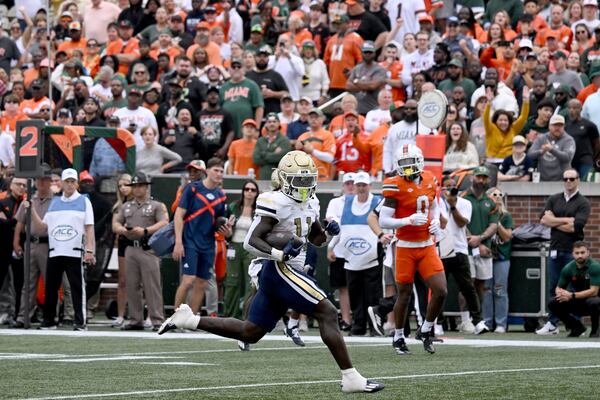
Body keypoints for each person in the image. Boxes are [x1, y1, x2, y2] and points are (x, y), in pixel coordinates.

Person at [159, 151, 384, 394]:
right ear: (286, 179)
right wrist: (278, 254)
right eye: (300, 180)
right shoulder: (274, 201)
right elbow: (250, 241)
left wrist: (329, 231)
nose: (306, 185)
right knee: (328, 311)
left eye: (309, 179)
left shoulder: (312, 201)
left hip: (287, 269)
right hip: (279, 268)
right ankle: (350, 378)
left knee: (251, 331)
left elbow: (316, 238)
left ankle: (189, 319)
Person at [379, 144, 448, 354]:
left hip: (427, 245)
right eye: (404, 165)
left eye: (411, 164)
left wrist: (435, 221)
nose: (408, 169)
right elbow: (383, 220)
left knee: (441, 290)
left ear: (419, 162)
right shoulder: (394, 185)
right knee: (404, 294)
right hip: (405, 247)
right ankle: (399, 337)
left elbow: (434, 207)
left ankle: (426, 329)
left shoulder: (429, 179)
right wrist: (406, 220)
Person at [26, 169, 95, 330]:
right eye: (67, 181)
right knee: (51, 288)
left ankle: (80, 322)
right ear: (62, 183)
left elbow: (89, 227)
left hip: (75, 250)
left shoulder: (84, 201)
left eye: (72, 181)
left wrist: (90, 250)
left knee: (77, 287)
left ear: (76, 183)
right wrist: (32, 210)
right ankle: (49, 321)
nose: (70, 184)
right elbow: (43, 226)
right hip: (55, 250)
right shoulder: (55, 202)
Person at [172, 158, 232, 315]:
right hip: (190, 241)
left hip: (208, 243)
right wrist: (178, 242)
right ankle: (175, 317)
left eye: (221, 171)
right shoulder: (193, 189)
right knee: (187, 280)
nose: (219, 174)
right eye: (216, 170)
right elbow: (179, 215)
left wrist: (227, 232)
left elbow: (218, 224)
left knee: (202, 282)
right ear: (208, 171)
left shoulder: (221, 195)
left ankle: (190, 319)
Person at [537, 169, 591, 335]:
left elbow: (576, 227)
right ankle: (552, 324)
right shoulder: (554, 199)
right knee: (555, 288)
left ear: (578, 180)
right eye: (566, 179)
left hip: (573, 252)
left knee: (574, 289)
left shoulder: (583, 202)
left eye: (572, 179)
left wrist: (554, 221)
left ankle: (576, 325)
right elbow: (543, 219)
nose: (568, 181)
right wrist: (566, 220)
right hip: (555, 249)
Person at [113, 173, 168, 330]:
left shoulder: (156, 205)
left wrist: (145, 230)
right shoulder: (126, 206)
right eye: (134, 186)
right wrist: (123, 230)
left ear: (146, 187)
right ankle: (135, 319)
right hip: (130, 247)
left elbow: (164, 222)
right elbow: (115, 223)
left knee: (152, 285)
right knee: (132, 285)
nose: (137, 189)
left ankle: (157, 319)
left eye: (140, 186)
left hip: (148, 248)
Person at [334, 172, 381, 336]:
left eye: (364, 185)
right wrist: (332, 247)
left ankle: (374, 327)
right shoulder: (346, 202)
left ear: (369, 186)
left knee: (372, 295)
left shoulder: (377, 202)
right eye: (358, 185)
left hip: (372, 258)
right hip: (351, 259)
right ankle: (358, 326)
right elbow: (339, 228)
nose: (361, 188)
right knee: (354, 294)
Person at [438, 176, 485, 334]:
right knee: (439, 289)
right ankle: (437, 322)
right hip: (441, 250)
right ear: (442, 188)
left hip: (459, 249)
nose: (450, 190)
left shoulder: (465, 203)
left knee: (468, 288)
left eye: (453, 186)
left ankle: (477, 321)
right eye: (447, 187)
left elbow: (461, 223)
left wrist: (452, 206)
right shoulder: (436, 203)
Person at [13, 175, 53, 328]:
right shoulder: (28, 199)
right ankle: (24, 316)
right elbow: (20, 223)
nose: (41, 182)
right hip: (31, 244)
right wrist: (16, 242)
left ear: (50, 182)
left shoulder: (56, 201)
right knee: (28, 283)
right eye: (38, 179)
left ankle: (51, 316)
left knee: (51, 283)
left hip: (48, 244)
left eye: (44, 179)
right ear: (35, 182)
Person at [463, 165, 498, 335]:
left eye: (484, 177)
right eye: (479, 177)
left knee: (481, 285)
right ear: (472, 178)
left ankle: (477, 318)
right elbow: (457, 222)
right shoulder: (463, 198)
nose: (481, 180)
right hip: (465, 248)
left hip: (484, 248)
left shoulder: (490, 201)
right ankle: (465, 320)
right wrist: (472, 239)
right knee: (467, 284)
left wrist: (481, 239)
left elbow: (494, 224)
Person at [223, 180, 259, 319]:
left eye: (252, 190)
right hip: (234, 246)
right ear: (243, 191)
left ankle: (248, 316)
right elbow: (225, 230)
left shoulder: (259, 209)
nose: (249, 192)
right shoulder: (233, 207)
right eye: (247, 189)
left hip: (250, 248)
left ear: (256, 193)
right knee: (232, 282)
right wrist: (227, 233)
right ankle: (229, 315)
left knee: (251, 283)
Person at [548, 241, 600, 338]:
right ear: (572, 254)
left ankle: (595, 330)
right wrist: (561, 294)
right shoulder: (568, 268)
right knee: (553, 302)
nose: (580, 255)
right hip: (577, 300)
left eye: (582, 252)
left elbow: (594, 291)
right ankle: (576, 327)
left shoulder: (595, 267)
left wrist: (571, 295)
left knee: (594, 301)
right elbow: (558, 288)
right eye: (577, 253)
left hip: (593, 301)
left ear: (588, 253)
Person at [326, 173, 356, 331]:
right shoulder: (335, 202)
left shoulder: (362, 202)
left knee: (357, 287)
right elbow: (330, 219)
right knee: (342, 288)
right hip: (339, 251)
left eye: (353, 183)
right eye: (348, 183)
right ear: (343, 186)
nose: (350, 186)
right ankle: (346, 319)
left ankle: (359, 318)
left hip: (358, 251)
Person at [483, 187, 514, 333]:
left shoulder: (506, 216)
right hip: (486, 256)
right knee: (486, 290)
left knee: (500, 289)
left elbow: (507, 236)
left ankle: (501, 323)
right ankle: (487, 322)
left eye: (500, 194)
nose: (498, 197)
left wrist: (497, 221)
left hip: (501, 257)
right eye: (494, 194)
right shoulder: (483, 214)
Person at [0, 176, 26, 324]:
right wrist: (16, 221)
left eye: (24, 185)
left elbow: (21, 227)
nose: (21, 187)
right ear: (11, 186)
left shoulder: (26, 204)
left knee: (19, 282)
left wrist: (11, 222)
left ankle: (17, 313)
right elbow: (4, 224)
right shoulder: (2, 202)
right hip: (3, 247)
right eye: (18, 184)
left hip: (19, 248)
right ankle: (4, 312)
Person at [110, 174, 132, 328]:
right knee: (122, 280)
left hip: (140, 243)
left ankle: (145, 314)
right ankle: (120, 315)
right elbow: (115, 227)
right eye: (120, 186)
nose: (123, 188)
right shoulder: (119, 206)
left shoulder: (143, 203)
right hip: (124, 244)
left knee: (142, 282)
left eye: (126, 184)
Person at [528, 114, 576, 182]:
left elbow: (567, 157)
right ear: (549, 126)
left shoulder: (569, 140)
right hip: (542, 180)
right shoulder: (541, 138)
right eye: (555, 125)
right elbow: (530, 154)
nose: (557, 128)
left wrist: (552, 150)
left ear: (564, 127)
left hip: (562, 180)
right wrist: (541, 151)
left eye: (560, 125)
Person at [296, 108, 336, 181]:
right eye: (311, 117)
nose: (313, 119)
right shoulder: (302, 136)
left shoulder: (327, 135)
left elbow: (330, 158)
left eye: (316, 117)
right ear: (308, 119)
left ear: (322, 119)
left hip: (321, 177)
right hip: (304, 178)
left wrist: (312, 151)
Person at [566, 99, 600, 180]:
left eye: (575, 108)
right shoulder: (565, 126)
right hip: (570, 161)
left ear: (581, 109)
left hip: (585, 161)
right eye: (570, 108)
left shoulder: (589, 125)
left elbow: (597, 143)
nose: (572, 110)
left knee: (587, 184)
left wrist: (593, 157)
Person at [253, 113, 292, 180]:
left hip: (279, 178)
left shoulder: (285, 140)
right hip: (263, 177)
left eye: (274, 121)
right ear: (266, 124)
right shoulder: (260, 140)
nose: (272, 124)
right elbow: (256, 159)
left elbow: (282, 159)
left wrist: (263, 154)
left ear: (279, 123)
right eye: (269, 122)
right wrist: (274, 154)